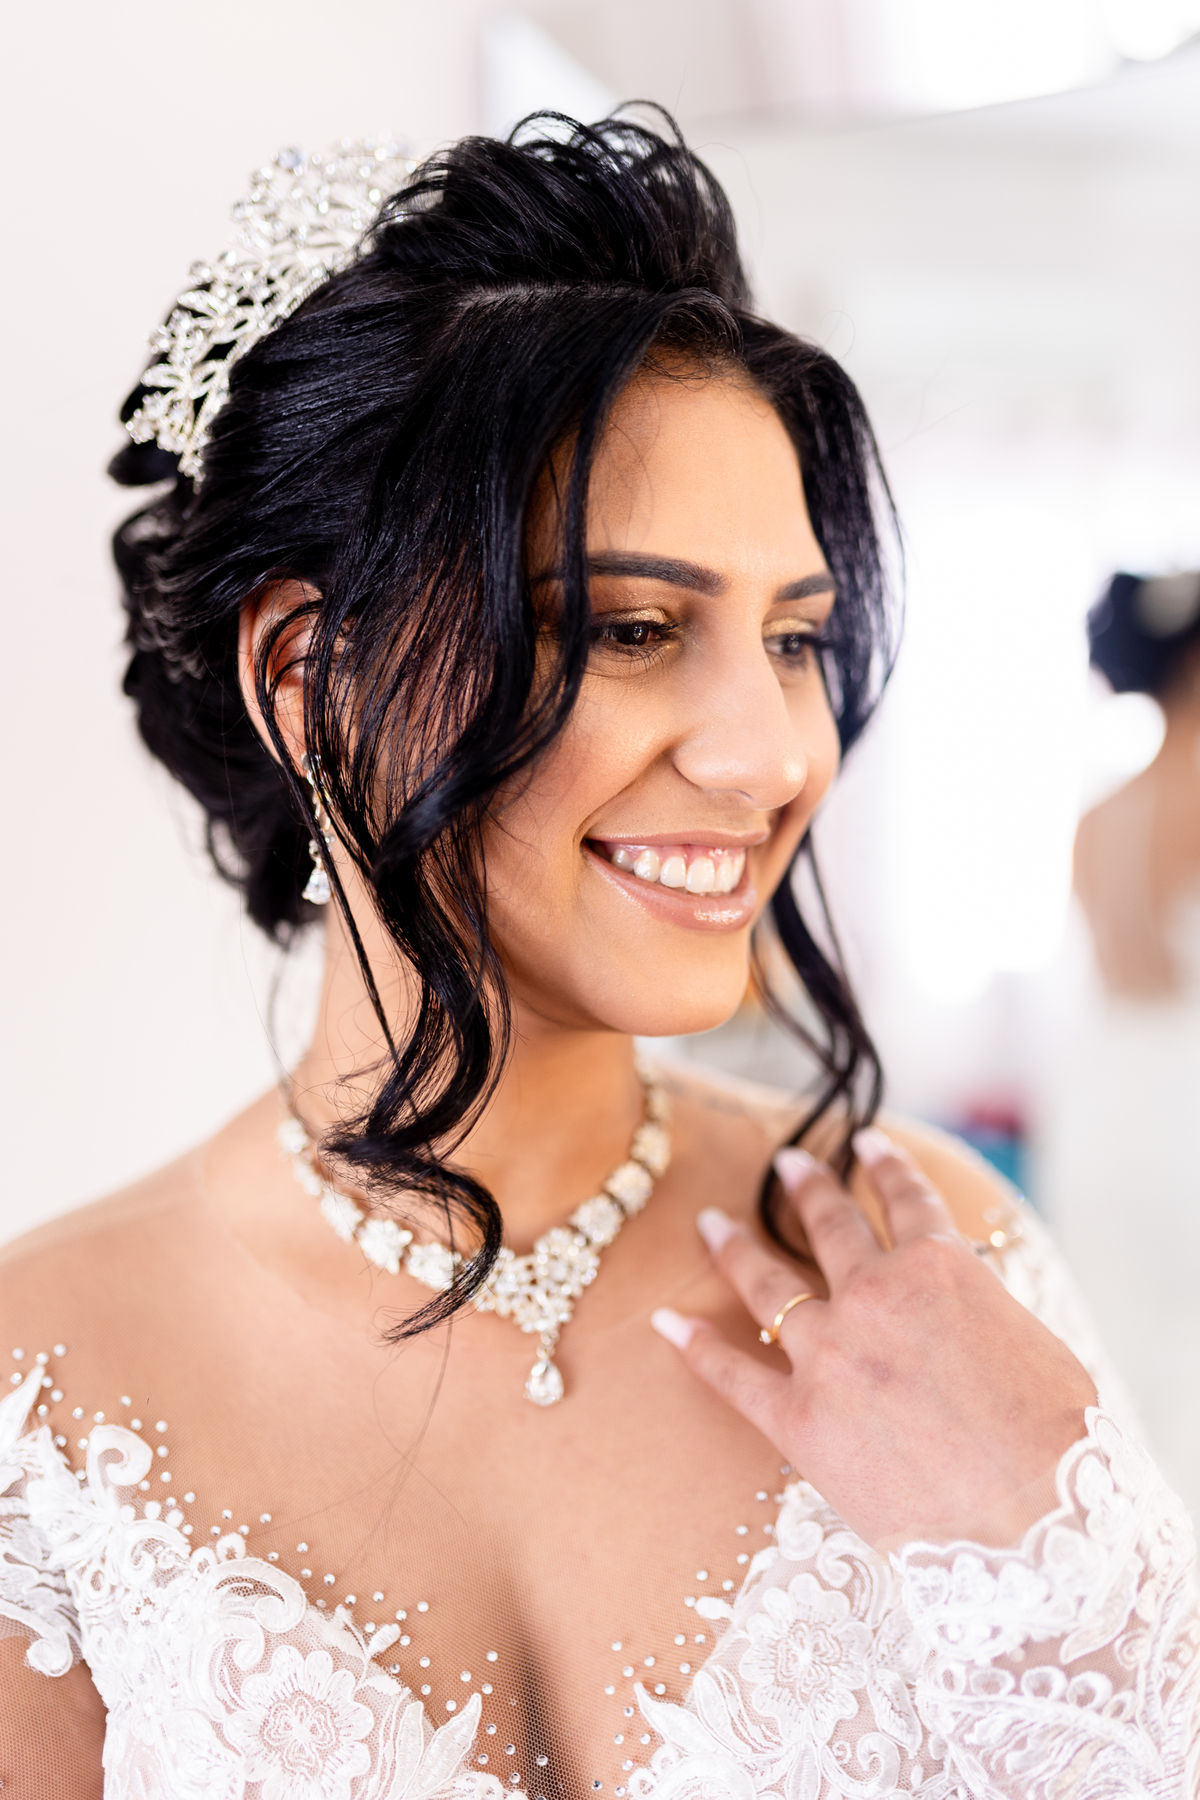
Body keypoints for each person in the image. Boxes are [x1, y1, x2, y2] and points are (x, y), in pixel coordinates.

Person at [1, 116, 1196, 1800]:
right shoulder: (42, 1390)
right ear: (307, 677)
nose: (773, 754)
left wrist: (1063, 1585)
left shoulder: (931, 1262)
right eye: (635, 629)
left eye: (795, 639)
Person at [1044, 567, 1200, 1522]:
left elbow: (1117, 975)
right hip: (1187, 1101)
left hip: (1109, 1107)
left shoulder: (1097, 817)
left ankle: (1142, 1542)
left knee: (1127, 1339)